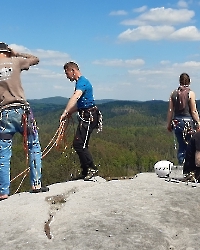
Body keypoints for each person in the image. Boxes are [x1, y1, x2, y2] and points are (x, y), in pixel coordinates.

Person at [0, 42, 49, 201]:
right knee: (33, 145)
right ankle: (36, 184)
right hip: (22, 112)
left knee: (3, 153)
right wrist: (17, 53)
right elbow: (35, 59)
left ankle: (3, 192)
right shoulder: (15, 61)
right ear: (7, 52)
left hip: (3, 114)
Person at [60, 61, 102, 181]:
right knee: (82, 144)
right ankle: (85, 170)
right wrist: (69, 113)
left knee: (79, 144)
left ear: (72, 71)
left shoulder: (82, 83)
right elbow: (80, 104)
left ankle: (91, 168)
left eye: (67, 73)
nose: (67, 76)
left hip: (89, 116)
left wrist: (65, 112)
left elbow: (75, 97)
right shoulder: (81, 82)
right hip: (88, 115)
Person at [167, 73, 200, 165]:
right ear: (189, 81)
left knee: (181, 146)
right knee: (191, 146)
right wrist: (198, 123)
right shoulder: (191, 93)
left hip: (177, 122)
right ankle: (190, 169)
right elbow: (193, 111)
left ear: (179, 81)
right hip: (189, 123)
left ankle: (182, 165)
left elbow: (170, 110)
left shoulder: (173, 94)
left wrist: (168, 123)